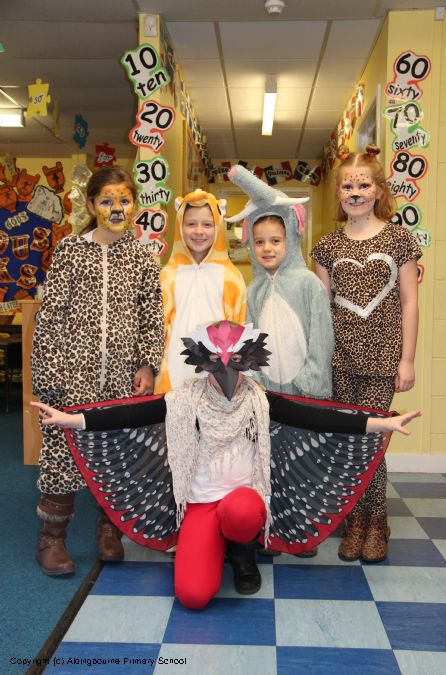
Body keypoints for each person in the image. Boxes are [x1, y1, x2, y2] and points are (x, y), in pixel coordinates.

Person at [32, 320, 419, 610]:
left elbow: (318, 417)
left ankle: (242, 553)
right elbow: (129, 414)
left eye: (234, 364)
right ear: (204, 365)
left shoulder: (260, 400)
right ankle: (213, 546)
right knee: (193, 595)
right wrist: (72, 419)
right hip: (200, 503)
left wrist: (380, 423)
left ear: (246, 364)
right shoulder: (184, 400)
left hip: (243, 501)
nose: (226, 373)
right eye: (217, 364)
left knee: (241, 511)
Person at [31, 165, 164, 576]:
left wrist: (147, 365)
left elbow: (151, 318)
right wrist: (51, 374)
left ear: (135, 205)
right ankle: (52, 538)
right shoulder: (71, 250)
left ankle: (110, 529)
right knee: (62, 453)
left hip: (121, 378)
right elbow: (51, 317)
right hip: (73, 375)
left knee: (116, 453)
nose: (116, 208)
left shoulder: (143, 258)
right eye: (107, 201)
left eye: (124, 200)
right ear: (91, 206)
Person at [311, 144, 422, 563]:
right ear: (338, 193)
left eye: (363, 185)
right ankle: (354, 520)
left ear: (378, 190)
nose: (355, 193)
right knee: (347, 442)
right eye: (347, 186)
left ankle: (376, 523)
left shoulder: (399, 240)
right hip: (340, 360)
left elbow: (410, 302)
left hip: (383, 360)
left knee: (372, 441)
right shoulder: (326, 246)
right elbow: (322, 309)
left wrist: (406, 359)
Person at [227, 164, 334, 399]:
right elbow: (250, 340)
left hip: (305, 394)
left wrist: (311, 382)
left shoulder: (309, 284)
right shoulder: (253, 290)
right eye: (259, 242)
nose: (267, 248)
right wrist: (255, 381)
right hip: (266, 393)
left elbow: (321, 337)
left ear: (290, 240)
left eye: (275, 241)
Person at [154, 189, 246, 393]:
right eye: (191, 224)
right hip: (173, 376)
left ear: (218, 226)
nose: (199, 231)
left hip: (218, 379)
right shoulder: (167, 276)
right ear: (180, 226)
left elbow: (238, 331)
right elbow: (157, 330)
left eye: (207, 224)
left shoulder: (232, 277)